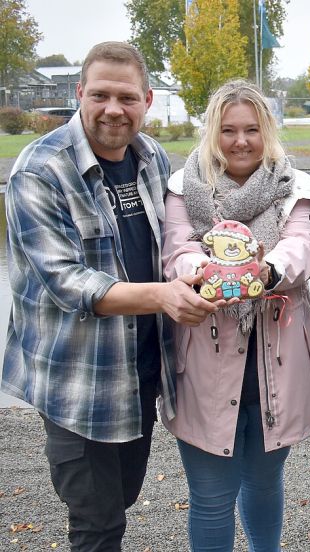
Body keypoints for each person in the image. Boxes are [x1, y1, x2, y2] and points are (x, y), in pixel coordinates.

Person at [1, 41, 220, 551]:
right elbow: (67, 281)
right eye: (100, 95)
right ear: (79, 93)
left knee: (118, 501)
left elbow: (180, 239)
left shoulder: (152, 158)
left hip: (140, 373)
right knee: (97, 525)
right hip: (77, 382)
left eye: (126, 97)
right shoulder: (40, 170)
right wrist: (164, 296)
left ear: (146, 99)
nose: (113, 109)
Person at [161, 80, 310, 551]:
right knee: (211, 498)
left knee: (265, 485)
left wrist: (263, 271)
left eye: (252, 129)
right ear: (213, 132)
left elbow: (304, 247)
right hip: (204, 367)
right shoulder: (181, 188)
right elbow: (177, 250)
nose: (241, 141)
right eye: (228, 130)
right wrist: (207, 272)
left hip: (278, 363)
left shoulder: (294, 186)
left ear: (267, 131)